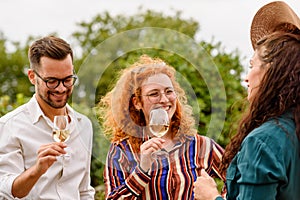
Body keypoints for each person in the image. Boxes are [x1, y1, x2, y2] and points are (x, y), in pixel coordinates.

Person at [193, 1, 300, 200]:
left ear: (272, 73)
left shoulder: (263, 140)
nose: (246, 77)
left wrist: (210, 197)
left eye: (252, 66)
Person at [99, 54, 225, 199]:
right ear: (137, 103)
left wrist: (216, 197)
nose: (164, 100)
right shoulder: (121, 151)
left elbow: (239, 178)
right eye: (154, 94)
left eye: (169, 91)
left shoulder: (201, 146)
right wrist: (142, 169)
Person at [0, 36, 95, 199]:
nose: (61, 88)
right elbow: (8, 192)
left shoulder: (84, 125)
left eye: (67, 80)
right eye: (51, 81)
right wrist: (37, 170)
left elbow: (84, 190)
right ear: (32, 77)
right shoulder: (10, 125)